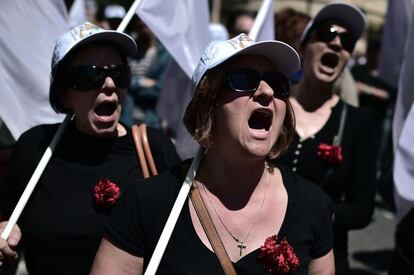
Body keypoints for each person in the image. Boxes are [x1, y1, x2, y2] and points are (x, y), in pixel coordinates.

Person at [91, 33, 335, 274]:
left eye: (278, 84)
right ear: (208, 103)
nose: (267, 92)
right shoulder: (146, 203)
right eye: (244, 79)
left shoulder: (313, 206)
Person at [0, 22, 180, 274]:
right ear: (64, 94)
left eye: (119, 74)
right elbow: (6, 226)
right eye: (90, 75)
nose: (108, 84)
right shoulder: (36, 148)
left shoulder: (153, 147)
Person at [276, 3, 377, 274]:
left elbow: (362, 210)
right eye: (327, 32)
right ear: (306, 45)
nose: (336, 42)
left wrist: (313, 213)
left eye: (346, 41)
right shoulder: (274, 106)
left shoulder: (359, 123)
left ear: (348, 58)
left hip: (323, 259)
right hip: (259, 249)